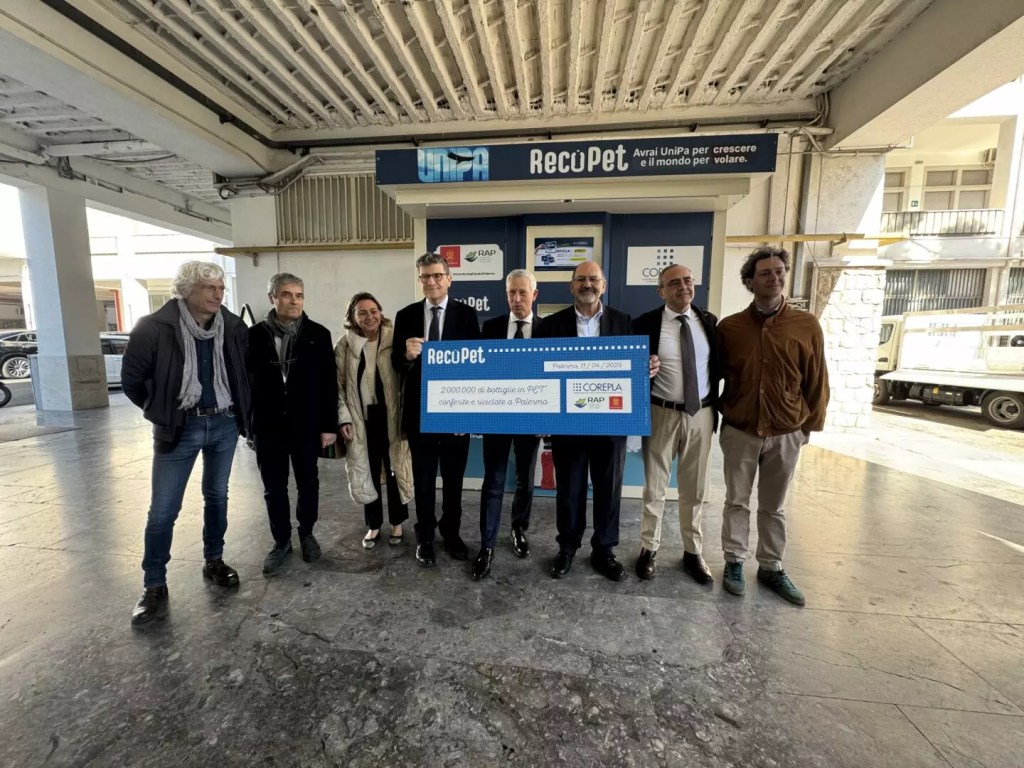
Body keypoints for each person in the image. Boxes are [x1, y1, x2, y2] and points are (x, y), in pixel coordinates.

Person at [121, 260, 251, 626]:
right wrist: (163, 410)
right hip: (179, 426)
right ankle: (154, 584)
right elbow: (132, 381)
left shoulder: (233, 326)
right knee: (163, 510)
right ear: (186, 289)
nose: (218, 294)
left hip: (223, 422)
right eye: (209, 287)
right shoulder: (154, 327)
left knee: (218, 496)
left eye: (221, 288)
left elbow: (244, 373)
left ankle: (214, 560)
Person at [717, 246, 830, 606]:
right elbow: (712, 375)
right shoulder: (730, 328)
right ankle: (734, 561)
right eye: (765, 273)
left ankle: (771, 566)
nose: (775, 278)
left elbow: (817, 379)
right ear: (750, 282)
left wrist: (808, 427)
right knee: (736, 501)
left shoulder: (806, 325)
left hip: (785, 432)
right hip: (740, 429)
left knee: (774, 505)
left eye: (779, 271)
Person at [534, 261, 658, 581]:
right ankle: (567, 547)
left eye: (593, 279)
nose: (587, 285)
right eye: (581, 280)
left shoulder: (624, 322)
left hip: (611, 423)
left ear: (603, 285)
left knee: (609, 490)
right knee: (569, 490)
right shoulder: (551, 325)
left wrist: (647, 368)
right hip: (567, 424)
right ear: (571, 286)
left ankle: (604, 550)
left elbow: (634, 370)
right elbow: (539, 370)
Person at [392, 252, 481, 568]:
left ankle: (451, 533)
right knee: (424, 479)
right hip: (420, 414)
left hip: (456, 414)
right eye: (425, 276)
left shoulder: (466, 315)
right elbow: (395, 364)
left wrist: (468, 413)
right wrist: (406, 355)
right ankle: (425, 538)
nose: (431, 281)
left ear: (449, 279)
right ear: (420, 280)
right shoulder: (405, 315)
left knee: (454, 480)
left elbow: (476, 365)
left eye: (437, 275)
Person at [633, 263, 720, 584]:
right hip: (661, 413)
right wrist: (641, 368)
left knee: (694, 488)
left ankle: (692, 552)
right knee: (655, 487)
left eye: (687, 281)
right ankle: (649, 548)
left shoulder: (709, 321)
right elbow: (630, 369)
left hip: (702, 414)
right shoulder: (644, 324)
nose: (683, 287)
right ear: (661, 291)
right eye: (674, 283)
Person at [248, 273, 339, 575]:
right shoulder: (254, 335)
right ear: (273, 297)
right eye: (286, 294)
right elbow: (245, 383)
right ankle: (281, 541)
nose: (294, 301)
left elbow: (329, 383)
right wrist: (248, 426)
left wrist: (328, 426)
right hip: (268, 425)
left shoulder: (318, 334)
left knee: (308, 482)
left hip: (306, 424)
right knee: (273, 487)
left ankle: (307, 534)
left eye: (299, 295)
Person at [472, 269, 543, 580]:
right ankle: (487, 545)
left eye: (522, 292)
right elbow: (479, 373)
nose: (516, 299)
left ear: (534, 295)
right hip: (496, 418)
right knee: (494, 481)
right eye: (511, 292)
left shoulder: (548, 329)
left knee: (525, 480)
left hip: (532, 418)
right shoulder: (490, 327)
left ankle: (518, 528)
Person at [336, 292, 413, 548]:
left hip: (391, 417)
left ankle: (397, 522)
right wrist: (343, 418)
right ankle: (373, 524)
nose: (370, 317)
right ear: (352, 317)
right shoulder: (344, 346)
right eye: (362, 313)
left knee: (395, 469)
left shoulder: (394, 338)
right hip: (361, 420)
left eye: (373, 311)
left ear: (381, 312)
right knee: (366, 470)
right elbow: (337, 387)